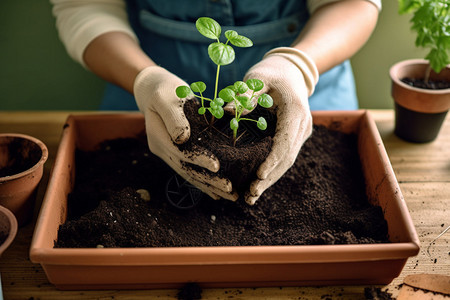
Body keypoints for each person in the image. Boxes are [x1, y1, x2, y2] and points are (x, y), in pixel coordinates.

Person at [50, 0, 381, 205]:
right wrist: (144, 78)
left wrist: (298, 65)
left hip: (305, 80)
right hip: (144, 81)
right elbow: (83, 5)